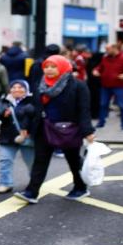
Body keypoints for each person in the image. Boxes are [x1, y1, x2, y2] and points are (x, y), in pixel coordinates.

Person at [14, 55, 95, 204]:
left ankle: (80, 187)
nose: (49, 70)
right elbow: (33, 108)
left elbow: (84, 110)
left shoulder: (78, 85)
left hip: (68, 129)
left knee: (73, 160)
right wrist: (26, 126)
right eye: (46, 66)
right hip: (43, 128)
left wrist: (88, 131)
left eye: (53, 66)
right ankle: (31, 192)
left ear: (63, 67)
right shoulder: (40, 84)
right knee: (40, 161)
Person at [0, 80, 36, 193]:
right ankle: (5, 183)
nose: (16, 89)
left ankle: (34, 184)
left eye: (20, 87)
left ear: (26, 89)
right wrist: (2, 113)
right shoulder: (4, 101)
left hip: (27, 137)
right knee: (5, 160)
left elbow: (37, 118)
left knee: (31, 163)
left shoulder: (33, 101)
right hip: (8, 137)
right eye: (13, 87)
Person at [92, 44, 123, 131]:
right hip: (106, 85)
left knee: (122, 105)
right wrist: (96, 70)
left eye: (107, 49)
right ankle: (101, 123)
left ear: (114, 48)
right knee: (103, 104)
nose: (106, 51)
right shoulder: (106, 57)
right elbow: (100, 67)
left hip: (119, 86)